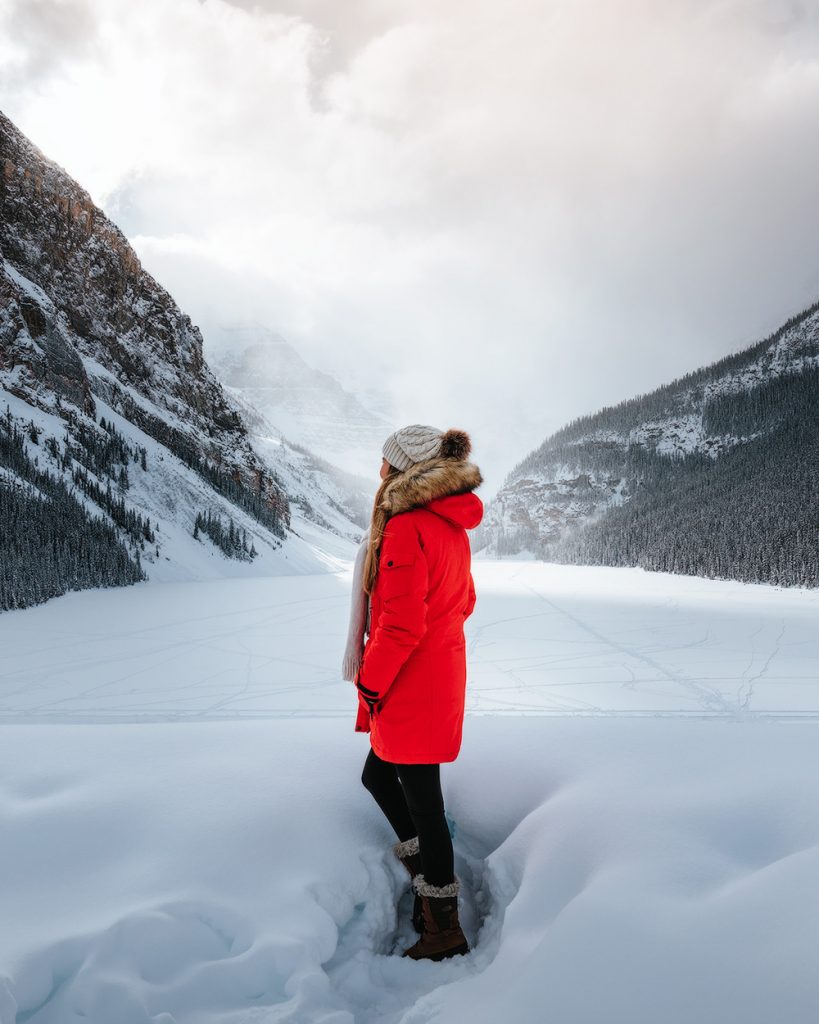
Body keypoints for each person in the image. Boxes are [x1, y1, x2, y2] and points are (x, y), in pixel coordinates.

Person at [341, 424, 484, 961]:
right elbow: (464, 600)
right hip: (439, 674)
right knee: (380, 774)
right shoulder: (450, 525)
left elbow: (400, 626)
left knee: (422, 802)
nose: (379, 470)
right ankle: (428, 876)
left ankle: (442, 926)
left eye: (385, 461)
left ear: (405, 470)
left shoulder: (405, 528)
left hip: (410, 683)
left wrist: (371, 684)